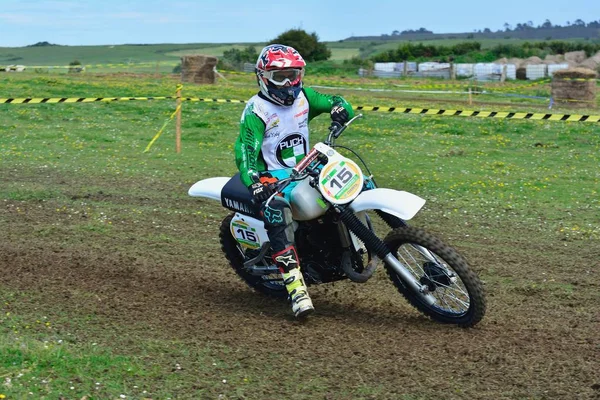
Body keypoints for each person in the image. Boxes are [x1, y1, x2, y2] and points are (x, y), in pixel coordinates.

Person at [234, 44, 354, 318]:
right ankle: (296, 287)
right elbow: (245, 153)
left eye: (294, 74)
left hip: (309, 164)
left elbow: (337, 100)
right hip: (275, 176)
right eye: (280, 77)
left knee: (354, 181)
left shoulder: (305, 98)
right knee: (278, 211)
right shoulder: (256, 111)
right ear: (263, 77)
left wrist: (340, 110)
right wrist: (255, 182)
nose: (289, 83)